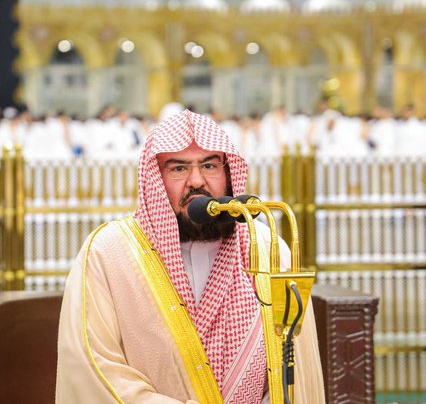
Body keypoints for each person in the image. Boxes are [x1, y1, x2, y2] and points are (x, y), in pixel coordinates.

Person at [56, 110, 325, 403]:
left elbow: (297, 369)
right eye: (178, 169)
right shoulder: (108, 254)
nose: (197, 181)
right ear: (154, 180)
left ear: (228, 174)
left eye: (209, 165)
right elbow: (96, 369)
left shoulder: (267, 248)